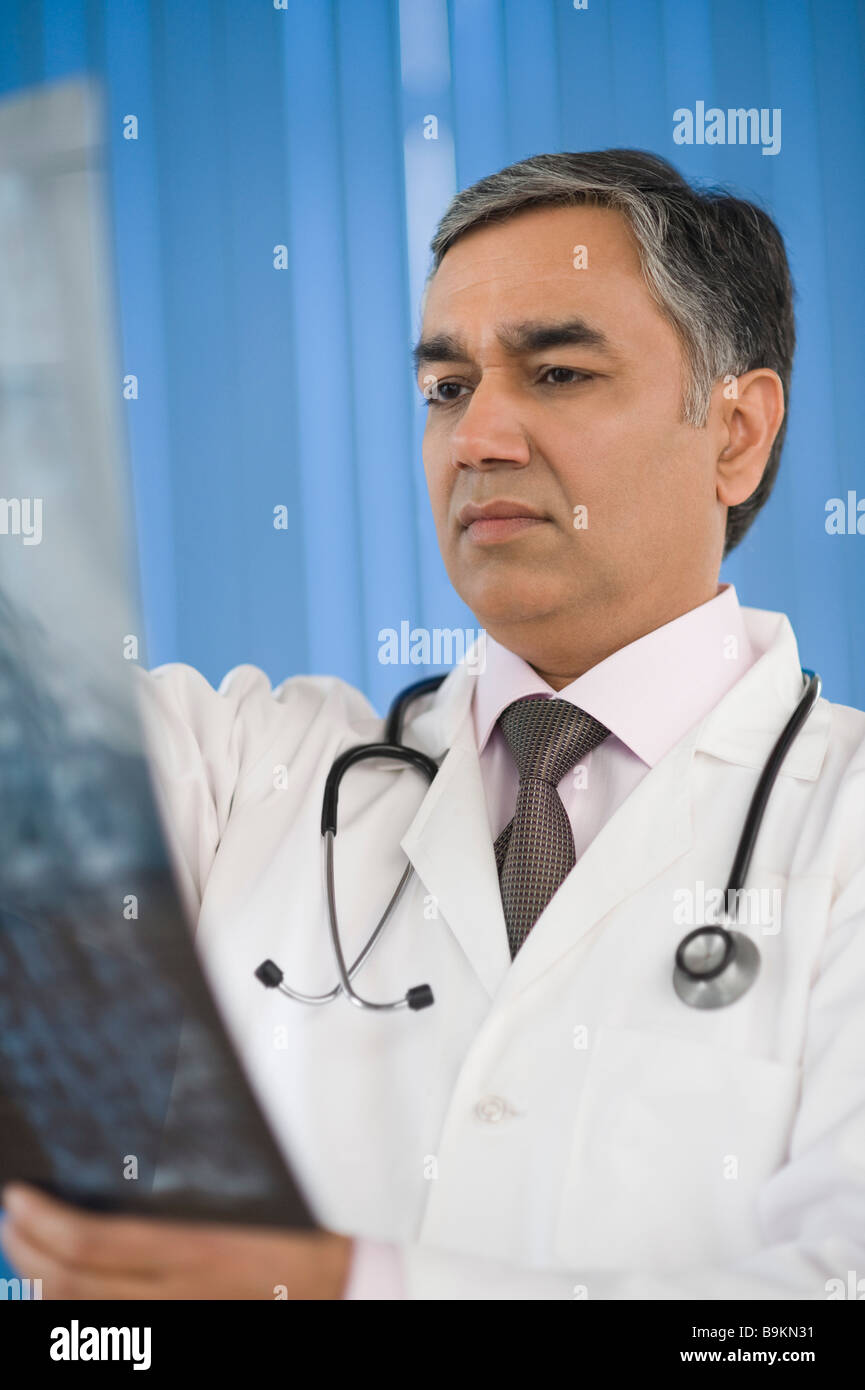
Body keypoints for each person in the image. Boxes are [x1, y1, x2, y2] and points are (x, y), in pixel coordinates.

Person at [3, 150, 864, 1301]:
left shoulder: (842, 829)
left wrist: (348, 1289)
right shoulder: (251, 774)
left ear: (736, 432)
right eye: (447, 388)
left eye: (556, 373)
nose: (478, 439)